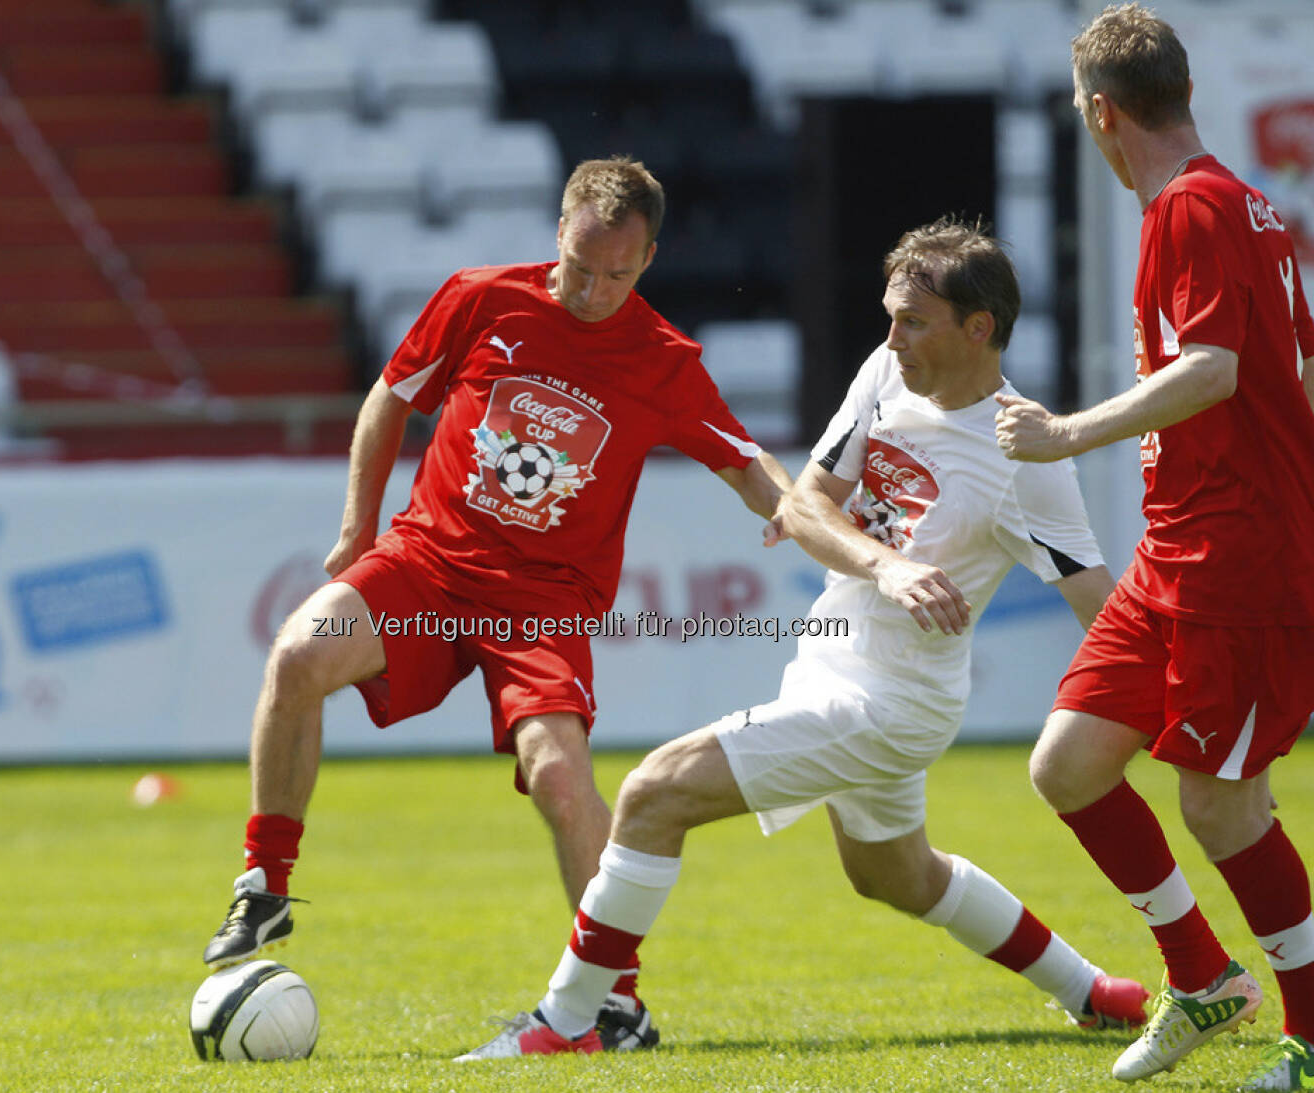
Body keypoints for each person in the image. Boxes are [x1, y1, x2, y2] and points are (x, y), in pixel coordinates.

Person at [456, 216, 1150, 1060]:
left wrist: (1169, 705)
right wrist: (887, 566)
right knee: (897, 875)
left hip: (893, 701)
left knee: (651, 792)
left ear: (980, 329)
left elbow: (1098, 603)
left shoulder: (1027, 455)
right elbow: (805, 505)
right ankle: (1095, 992)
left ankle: (566, 1025)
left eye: (914, 321)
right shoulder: (883, 375)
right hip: (829, 666)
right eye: (890, 316)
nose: (892, 338)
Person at [199, 156, 792, 1052]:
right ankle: (265, 885)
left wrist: (800, 515)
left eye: (619, 274)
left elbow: (748, 461)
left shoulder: (664, 361)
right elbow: (387, 399)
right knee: (295, 657)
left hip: (543, 604)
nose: (595, 290)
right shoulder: (481, 299)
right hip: (428, 564)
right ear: (560, 230)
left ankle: (613, 1000)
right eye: (582, 266)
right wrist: (359, 527)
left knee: (561, 776)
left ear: (650, 260)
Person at [994, 5, 1314, 1088]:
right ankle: (1206, 977)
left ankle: (1313, 1038)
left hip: (1239, 558)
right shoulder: (1251, 208)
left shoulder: (1191, 209)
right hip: (1182, 550)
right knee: (1070, 764)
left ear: (1100, 113)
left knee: (1223, 801)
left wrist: (1064, 433)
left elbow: (1214, 367)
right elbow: (1292, 371)